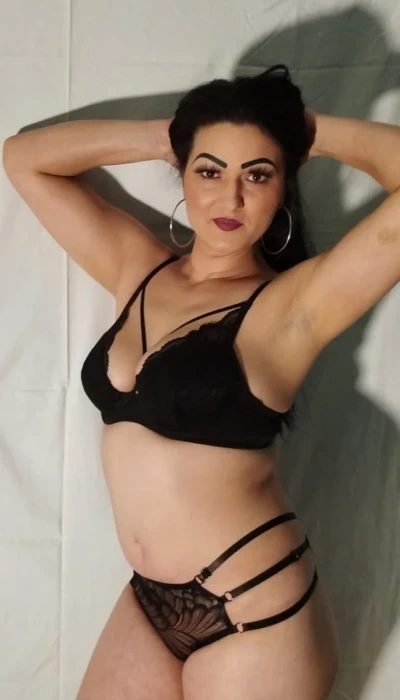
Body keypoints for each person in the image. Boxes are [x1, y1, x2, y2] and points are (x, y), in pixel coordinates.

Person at [4, 63, 400, 700]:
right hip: (150, 600)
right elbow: (24, 160)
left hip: (254, 610)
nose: (230, 199)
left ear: (283, 188)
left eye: (258, 175)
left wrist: (299, 131)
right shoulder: (138, 268)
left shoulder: (294, 307)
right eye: (210, 171)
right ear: (183, 174)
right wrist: (170, 135)